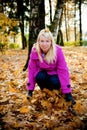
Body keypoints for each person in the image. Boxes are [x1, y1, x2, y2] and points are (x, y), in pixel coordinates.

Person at [27, 28, 75, 104]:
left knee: (54, 81)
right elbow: (31, 70)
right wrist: (30, 90)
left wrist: (68, 93)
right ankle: (44, 91)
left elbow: (63, 70)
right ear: (38, 42)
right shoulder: (35, 51)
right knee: (39, 76)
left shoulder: (58, 51)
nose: (44, 44)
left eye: (47, 41)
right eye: (42, 41)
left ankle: (54, 91)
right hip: (42, 74)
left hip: (54, 75)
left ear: (51, 42)